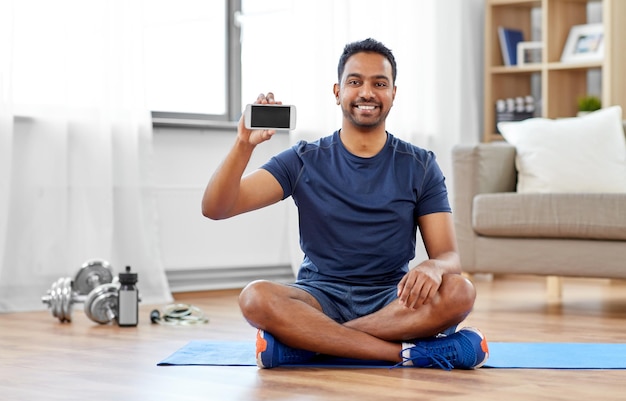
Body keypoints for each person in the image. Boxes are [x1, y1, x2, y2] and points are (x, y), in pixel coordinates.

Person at [201, 38, 489, 370]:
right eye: (355, 82)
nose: (367, 92)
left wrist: (433, 267)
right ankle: (408, 353)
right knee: (255, 297)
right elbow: (216, 208)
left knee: (459, 292)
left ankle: (310, 344)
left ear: (393, 93)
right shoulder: (303, 159)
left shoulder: (420, 164)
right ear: (338, 92)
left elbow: (449, 257)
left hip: (392, 299)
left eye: (379, 83)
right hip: (318, 297)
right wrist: (242, 145)